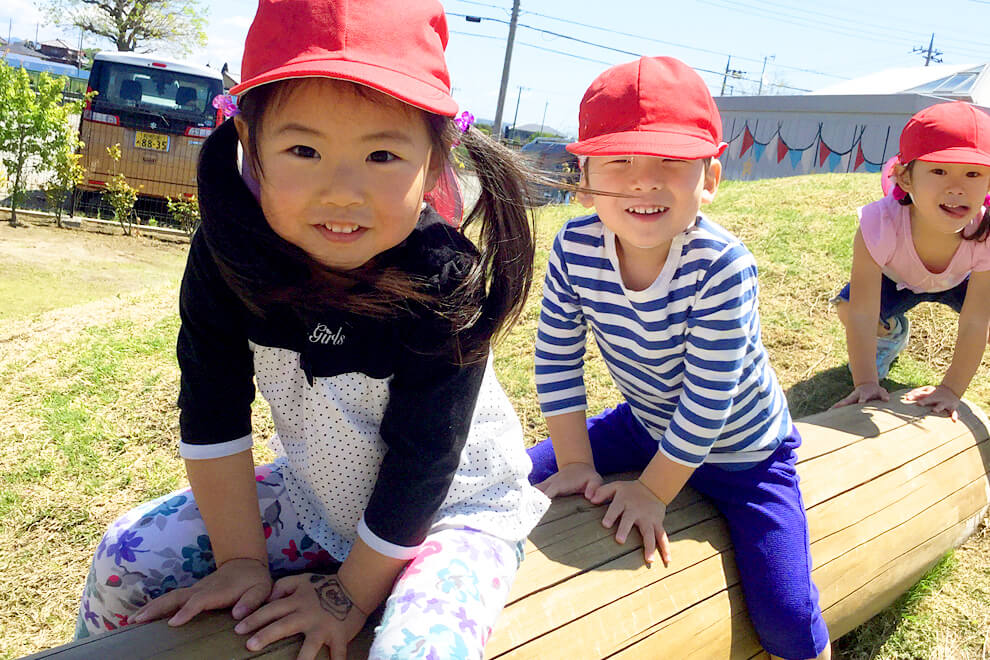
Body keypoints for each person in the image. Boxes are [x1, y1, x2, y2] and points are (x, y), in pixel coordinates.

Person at [74, 1, 549, 658]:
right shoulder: (227, 252)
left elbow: (426, 463)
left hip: (450, 511)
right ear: (248, 142)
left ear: (437, 154)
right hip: (318, 496)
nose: (342, 192)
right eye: (303, 149)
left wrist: (349, 595)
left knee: (416, 649)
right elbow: (213, 412)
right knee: (127, 556)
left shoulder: (444, 282)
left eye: (383, 154)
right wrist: (241, 561)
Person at [526, 56, 831, 660]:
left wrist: (652, 491)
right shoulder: (574, 245)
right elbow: (557, 358)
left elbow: (708, 400)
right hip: (642, 425)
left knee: (786, 612)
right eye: (619, 160)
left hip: (744, 452)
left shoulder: (720, 265)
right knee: (518, 474)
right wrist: (575, 460)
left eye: (669, 161)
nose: (643, 180)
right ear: (583, 179)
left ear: (710, 178)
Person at [832, 101, 990, 419]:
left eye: (973, 173)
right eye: (939, 170)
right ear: (905, 178)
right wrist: (865, 382)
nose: (957, 187)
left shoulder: (985, 234)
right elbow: (862, 312)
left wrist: (951, 389)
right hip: (896, 281)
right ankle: (891, 335)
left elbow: (976, 321)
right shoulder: (879, 224)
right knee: (848, 308)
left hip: (962, 282)